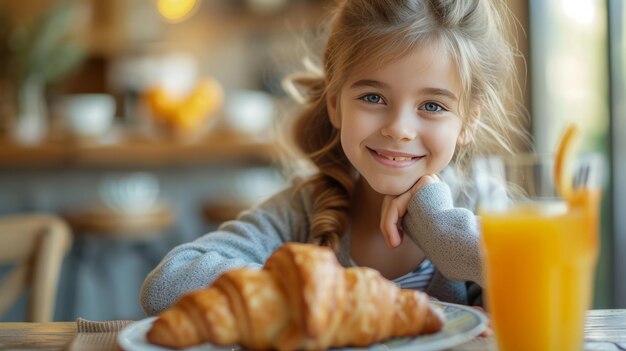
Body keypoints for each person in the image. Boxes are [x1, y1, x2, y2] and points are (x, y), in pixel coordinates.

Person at [141, 0, 526, 316]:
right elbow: (166, 285)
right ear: (335, 105)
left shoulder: (483, 209)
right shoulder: (302, 212)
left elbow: (539, 287)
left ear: (469, 122)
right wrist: (304, 287)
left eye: (432, 105)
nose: (399, 128)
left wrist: (442, 231)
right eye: (373, 98)